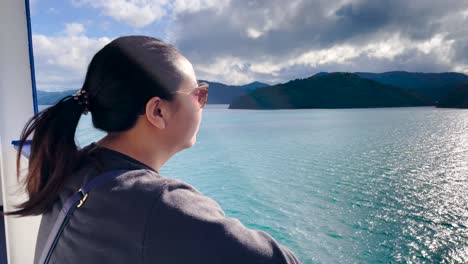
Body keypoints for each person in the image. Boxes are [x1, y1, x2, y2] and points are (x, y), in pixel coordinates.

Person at [4, 36, 300, 263]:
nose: (202, 104)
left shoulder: (75, 169)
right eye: (198, 94)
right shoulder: (158, 202)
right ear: (157, 111)